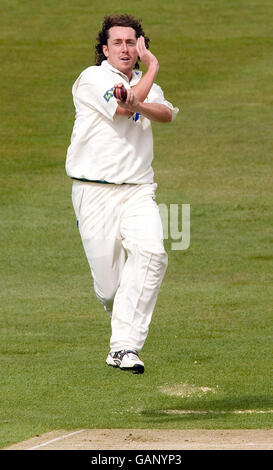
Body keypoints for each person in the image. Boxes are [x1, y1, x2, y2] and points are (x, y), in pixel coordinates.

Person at [65, 14, 179, 374]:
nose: (126, 49)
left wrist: (141, 95)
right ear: (105, 49)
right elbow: (120, 108)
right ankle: (115, 308)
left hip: (137, 191)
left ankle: (124, 347)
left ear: (140, 47)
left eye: (132, 42)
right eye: (118, 43)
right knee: (112, 291)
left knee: (152, 253)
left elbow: (164, 114)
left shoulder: (147, 85)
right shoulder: (92, 78)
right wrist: (152, 72)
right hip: (93, 192)